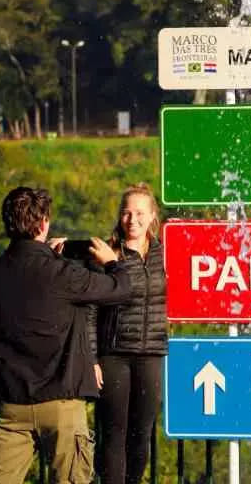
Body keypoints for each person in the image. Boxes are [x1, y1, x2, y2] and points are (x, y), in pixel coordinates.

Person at [0, 186, 134, 484]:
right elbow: (121, 289)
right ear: (44, 222)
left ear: (8, 222)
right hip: (61, 401)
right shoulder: (63, 275)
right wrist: (112, 262)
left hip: (7, 402)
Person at [95, 184, 167, 484]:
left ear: (152, 216)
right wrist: (92, 358)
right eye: (126, 212)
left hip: (151, 352)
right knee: (114, 432)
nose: (132, 219)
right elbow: (89, 310)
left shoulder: (165, 253)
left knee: (142, 434)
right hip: (114, 353)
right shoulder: (106, 254)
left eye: (139, 213)